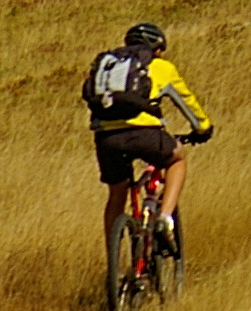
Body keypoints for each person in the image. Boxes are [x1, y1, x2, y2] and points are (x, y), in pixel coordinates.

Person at [82, 20, 214, 253]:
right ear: (157, 48)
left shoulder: (111, 68)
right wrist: (202, 128)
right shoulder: (161, 67)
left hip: (106, 138)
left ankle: (113, 255)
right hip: (145, 135)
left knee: (117, 193)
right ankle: (164, 218)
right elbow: (188, 103)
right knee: (177, 159)